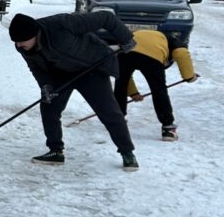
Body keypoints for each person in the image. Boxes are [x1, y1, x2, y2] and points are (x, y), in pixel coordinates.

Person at [8, 11, 140, 170]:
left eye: (22, 41)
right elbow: (35, 67)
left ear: (34, 34)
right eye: (16, 42)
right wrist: (46, 86)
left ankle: (127, 153)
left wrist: (125, 38)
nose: (19, 45)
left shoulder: (63, 24)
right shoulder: (24, 46)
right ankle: (55, 151)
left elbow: (106, 17)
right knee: (49, 108)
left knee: (109, 111)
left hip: (91, 69)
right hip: (59, 73)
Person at [114, 29, 198, 141]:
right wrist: (189, 76)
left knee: (121, 84)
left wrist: (133, 93)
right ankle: (168, 129)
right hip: (152, 56)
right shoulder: (172, 41)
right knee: (159, 90)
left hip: (125, 51)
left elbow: (125, 77)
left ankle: (117, 122)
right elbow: (182, 53)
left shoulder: (150, 35)